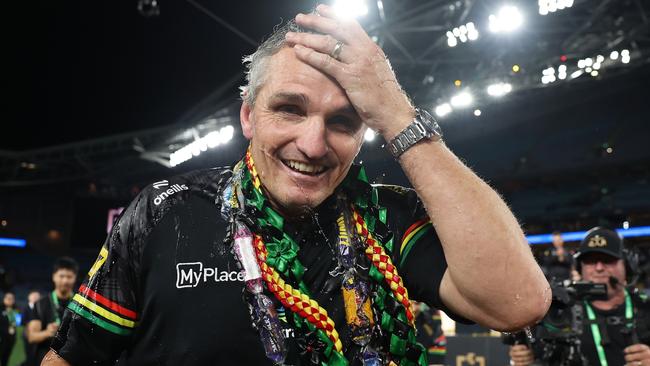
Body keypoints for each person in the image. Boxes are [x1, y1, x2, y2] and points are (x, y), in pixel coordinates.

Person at [44, 4, 549, 365]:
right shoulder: (163, 212)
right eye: (289, 109)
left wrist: (396, 113)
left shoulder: (385, 219)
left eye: (344, 122)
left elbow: (516, 303)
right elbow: (73, 357)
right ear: (248, 115)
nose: (312, 144)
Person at [510, 227, 650, 366]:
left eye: (608, 260)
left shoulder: (646, 308)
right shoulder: (560, 311)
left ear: (628, 266)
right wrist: (526, 358)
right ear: (579, 267)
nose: (599, 268)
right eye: (590, 261)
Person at [28, 258, 77, 365]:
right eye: (61, 276)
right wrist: (47, 332)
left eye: (69, 277)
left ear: (74, 278)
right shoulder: (41, 304)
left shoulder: (80, 305)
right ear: (54, 276)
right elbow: (31, 337)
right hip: (46, 361)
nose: (65, 280)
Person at [411, 301, 446, 365]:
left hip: (431, 350)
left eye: (417, 303)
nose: (414, 306)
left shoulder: (431, 311)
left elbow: (435, 333)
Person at [21, 290, 41, 366]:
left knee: (37, 354)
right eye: (34, 296)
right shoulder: (25, 308)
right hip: (28, 334)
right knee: (29, 353)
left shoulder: (40, 308)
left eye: (37, 296)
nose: (36, 298)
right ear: (29, 297)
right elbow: (23, 321)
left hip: (39, 334)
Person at [1, 292, 19, 366]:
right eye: (8, 298)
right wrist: (6, 330)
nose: (9, 300)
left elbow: (17, 323)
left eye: (11, 298)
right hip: (1, 338)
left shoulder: (15, 311)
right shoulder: (1, 310)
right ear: (4, 299)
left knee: (6, 358)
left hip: (11, 339)